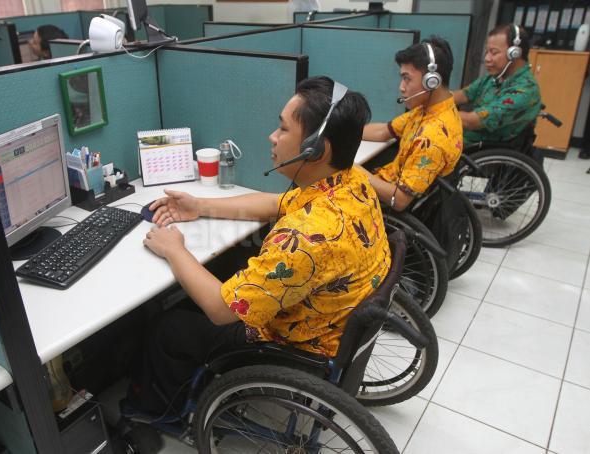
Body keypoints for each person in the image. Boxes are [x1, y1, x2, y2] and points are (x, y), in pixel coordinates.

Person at [126, 76, 391, 419]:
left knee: (169, 326)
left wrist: (174, 249)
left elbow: (221, 310)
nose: (272, 136)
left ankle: (154, 412)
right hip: (330, 326)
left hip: (293, 348)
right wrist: (199, 206)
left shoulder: (305, 238)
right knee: (223, 269)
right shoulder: (350, 182)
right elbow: (275, 204)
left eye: (283, 129)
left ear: (315, 149)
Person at [361, 36, 463, 211]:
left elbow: (399, 201)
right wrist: (341, 131)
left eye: (407, 78)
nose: (401, 87)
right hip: (388, 178)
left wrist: (354, 170)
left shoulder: (432, 137)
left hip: (387, 201)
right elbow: (383, 131)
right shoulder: (430, 109)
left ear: (432, 81)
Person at [453, 24, 541, 146]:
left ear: (514, 54)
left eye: (494, 53)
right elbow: (463, 95)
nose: (487, 58)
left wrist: (437, 113)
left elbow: (472, 122)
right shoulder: (495, 78)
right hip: (463, 138)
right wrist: (431, 98)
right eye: (487, 52)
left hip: (481, 146)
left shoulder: (525, 90)